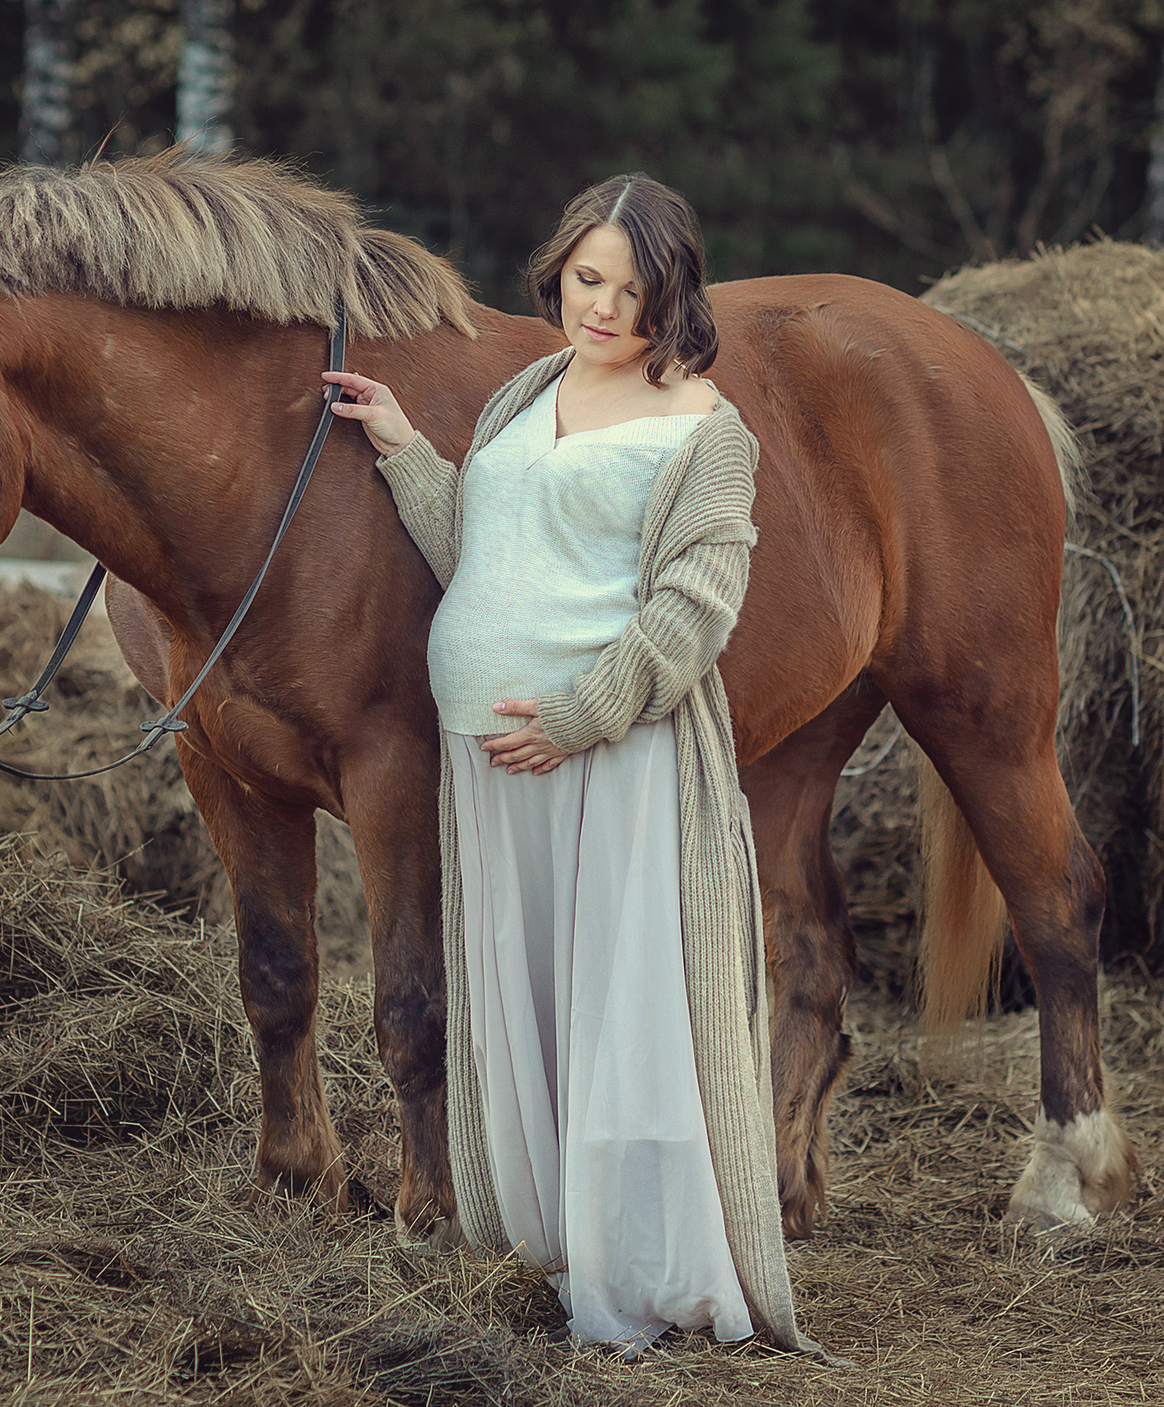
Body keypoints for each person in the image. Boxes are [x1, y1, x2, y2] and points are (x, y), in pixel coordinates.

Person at [322, 173, 816, 1357]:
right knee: (528, 1004)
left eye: (630, 290)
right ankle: (552, 1242)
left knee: (620, 1011)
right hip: (487, 757)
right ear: (558, 272)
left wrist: (582, 712)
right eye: (587, 278)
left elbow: (696, 604)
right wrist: (401, 445)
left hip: (607, 755)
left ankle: (638, 1269)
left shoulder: (704, 428)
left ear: (671, 296)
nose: (601, 307)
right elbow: (484, 549)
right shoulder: (526, 392)